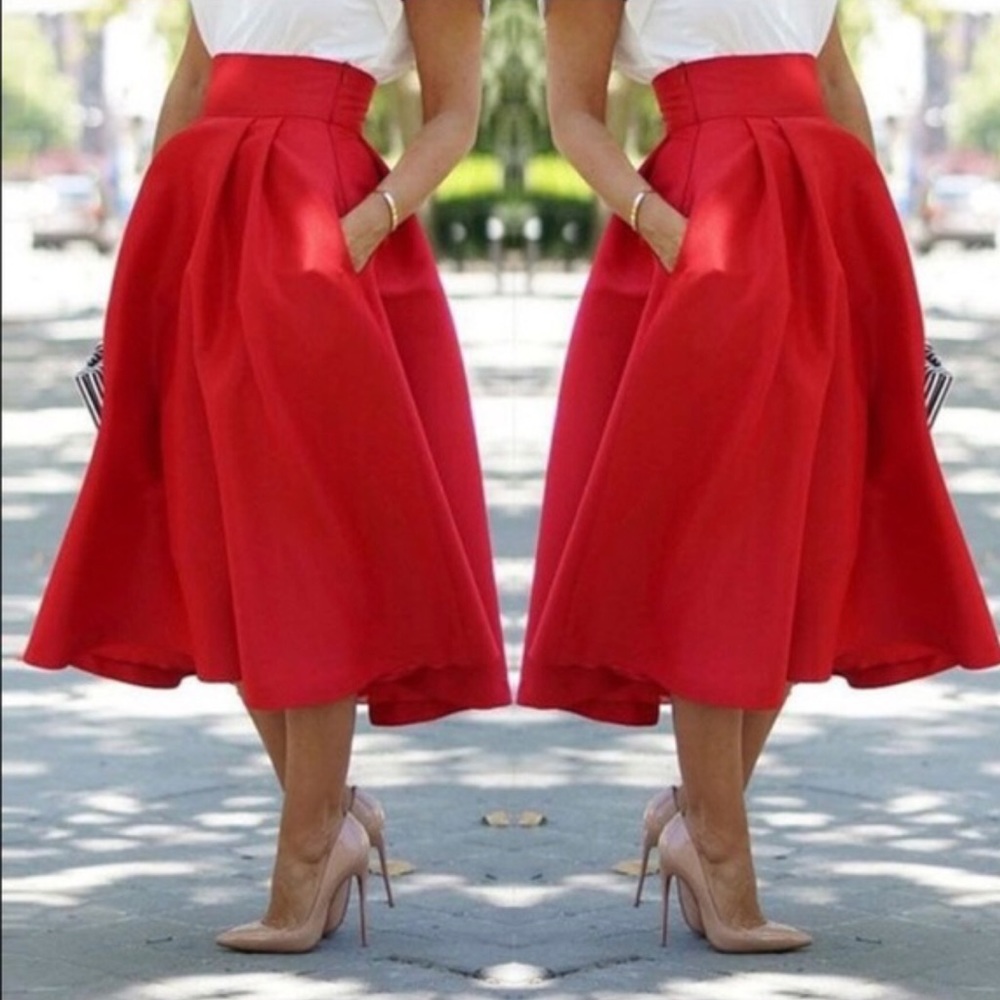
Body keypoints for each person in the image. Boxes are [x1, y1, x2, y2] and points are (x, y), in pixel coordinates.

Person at [23, 0, 511, 954]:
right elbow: (193, 86)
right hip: (197, 228)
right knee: (224, 531)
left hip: (316, 223)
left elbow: (455, 114)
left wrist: (359, 228)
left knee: (300, 538)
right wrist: (145, 270)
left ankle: (307, 857)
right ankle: (326, 819)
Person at [517, 0, 1000, 954]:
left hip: (830, 228)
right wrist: (668, 229)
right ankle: (721, 858)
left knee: (806, 530)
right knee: (726, 538)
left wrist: (882, 270)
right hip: (711, 224)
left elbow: (835, 84)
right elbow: (572, 113)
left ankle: (702, 816)